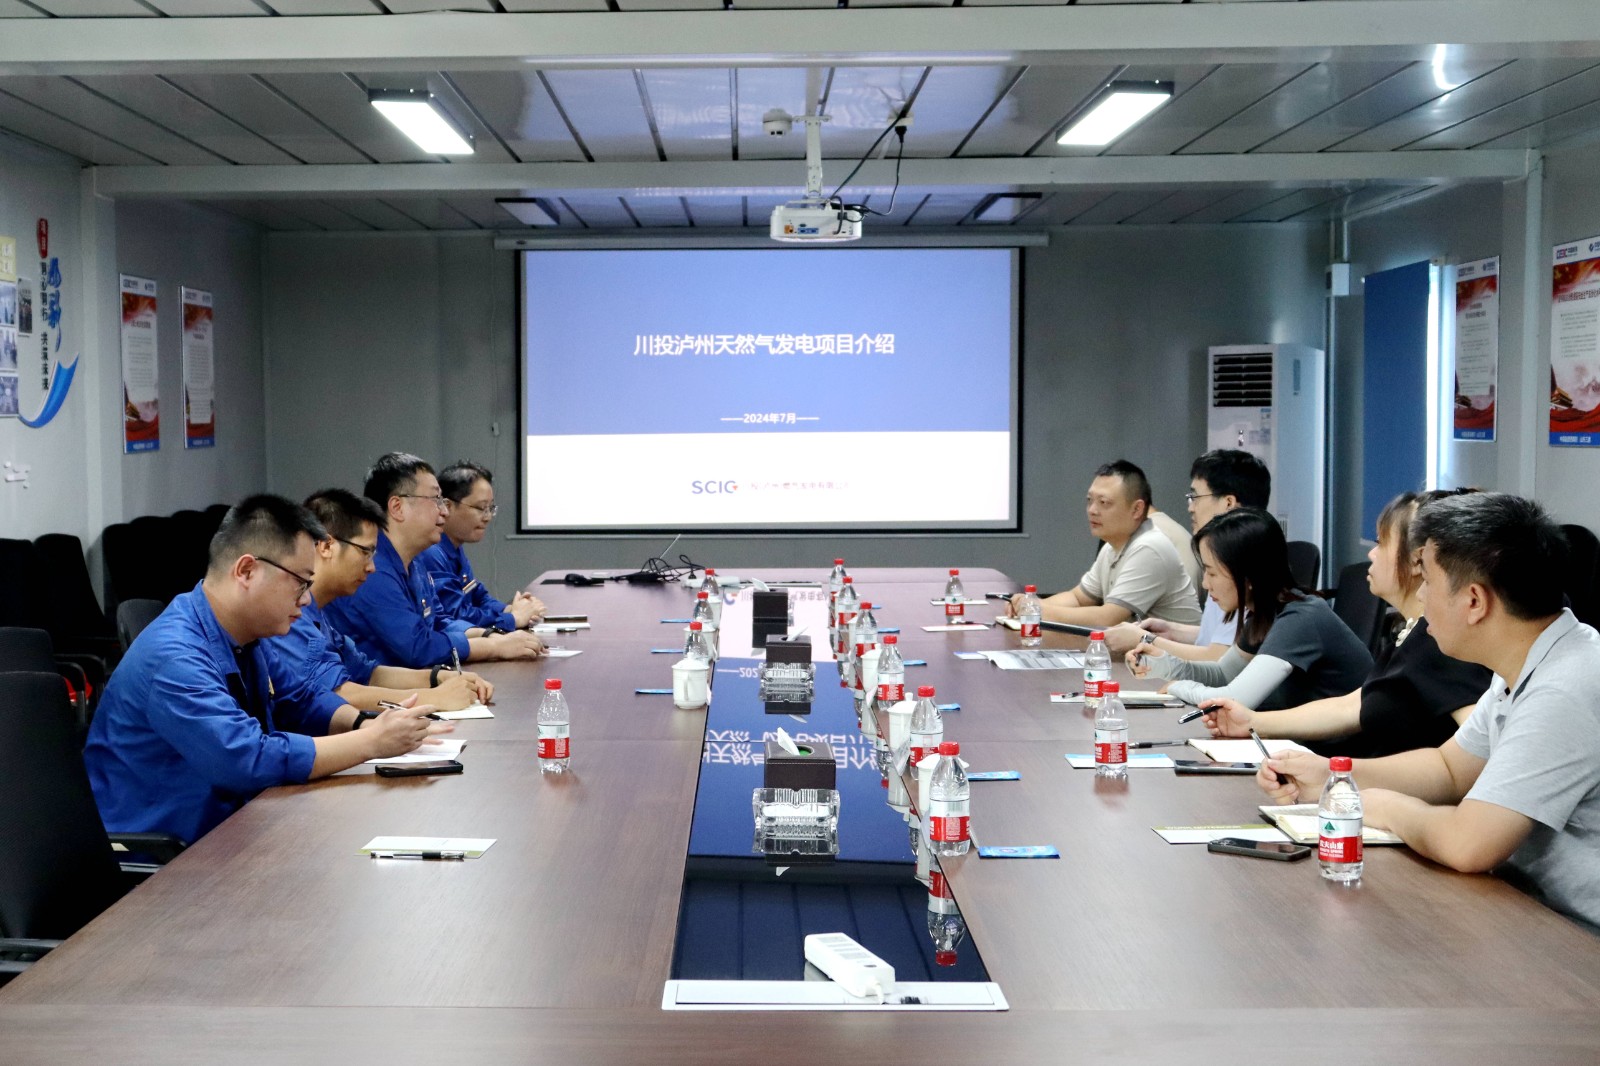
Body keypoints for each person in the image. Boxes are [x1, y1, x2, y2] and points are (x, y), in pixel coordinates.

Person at [1259, 492, 1600, 930]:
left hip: (1576, 937)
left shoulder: (1565, 686)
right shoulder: (1526, 663)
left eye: (1429, 582)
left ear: (1474, 601)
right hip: (1527, 907)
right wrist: (1334, 775)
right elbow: (1449, 769)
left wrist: (1384, 806)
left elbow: (1468, 844)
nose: (1420, 596)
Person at [83, 495, 451, 844]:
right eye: (300, 582)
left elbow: (301, 699)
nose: (306, 598)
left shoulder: (246, 636)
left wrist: (366, 725)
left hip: (232, 828)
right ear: (246, 570)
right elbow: (246, 759)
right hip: (168, 854)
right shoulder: (174, 656)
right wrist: (371, 743)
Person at [1199, 489, 1491, 757]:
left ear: (1418, 561)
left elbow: (1476, 750)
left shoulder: (1442, 645)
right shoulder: (1411, 636)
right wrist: (1252, 722)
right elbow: (1349, 706)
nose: (1371, 553)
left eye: (1381, 543)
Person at [269, 488, 498, 713]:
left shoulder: (320, 612)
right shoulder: (291, 615)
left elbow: (369, 673)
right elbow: (334, 694)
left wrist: (438, 676)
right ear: (327, 546)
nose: (371, 567)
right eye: (365, 552)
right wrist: (433, 697)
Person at [1133, 507, 1371, 709]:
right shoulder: (1265, 614)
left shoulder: (1300, 618)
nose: (1205, 583)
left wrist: (1179, 687)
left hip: (1341, 749)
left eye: (1212, 573)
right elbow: (1224, 674)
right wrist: (1166, 665)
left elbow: (1235, 699)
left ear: (1248, 576)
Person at [326, 453, 546, 668]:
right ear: (397, 507)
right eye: (436, 500)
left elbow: (440, 621)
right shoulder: (373, 569)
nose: (444, 511)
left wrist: (491, 635)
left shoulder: (414, 561)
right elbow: (417, 648)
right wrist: (494, 646)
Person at [1106, 449, 1270, 662]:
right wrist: (1172, 631)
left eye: (1195, 497)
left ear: (1228, 503)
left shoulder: (1242, 560)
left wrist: (1144, 639)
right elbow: (1219, 637)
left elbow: (1217, 658)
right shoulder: (1226, 552)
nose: (1190, 507)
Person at [1009, 460, 1200, 629]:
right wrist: (1029, 603)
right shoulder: (1112, 546)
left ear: (1136, 509)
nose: (1092, 510)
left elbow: (1108, 618)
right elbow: (1078, 598)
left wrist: (1037, 610)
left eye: (1104, 502)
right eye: (1090, 501)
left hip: (1174, 655)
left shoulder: (1149, 547)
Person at [418, 461, 545, 631]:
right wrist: (512, 618)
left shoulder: (455, 547)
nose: (487, 517)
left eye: (490, 508)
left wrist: (511, 609)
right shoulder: (431, 552)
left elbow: (478, 597)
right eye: (481, 508)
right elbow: (455, 615)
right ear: (447, 507)